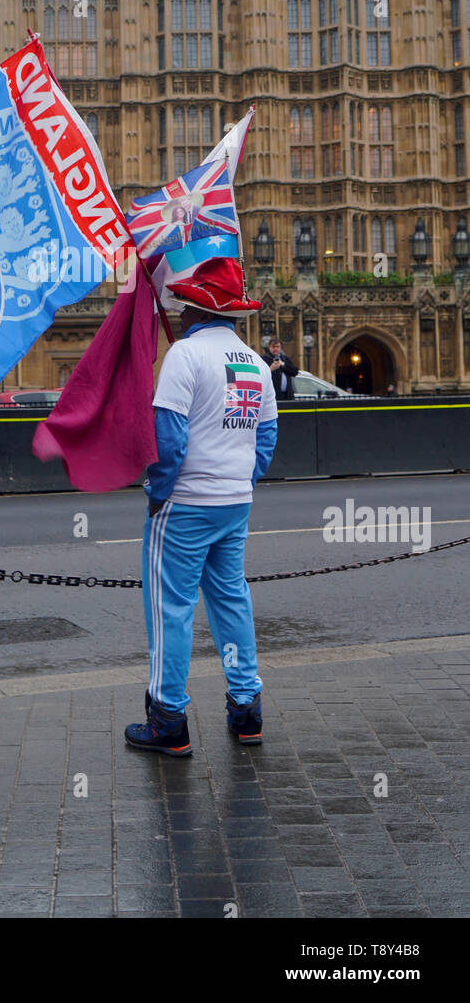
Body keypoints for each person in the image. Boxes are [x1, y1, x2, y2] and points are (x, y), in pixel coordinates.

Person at [124, 257, 278, 758]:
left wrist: (158, 493)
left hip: (186, 504)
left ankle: (168, 719)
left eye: (183, 304)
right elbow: (267, 438)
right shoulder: (255, 362)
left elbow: (167, 438)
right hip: (235, 502)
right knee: (231, 599)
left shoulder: (185, 356)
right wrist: (240, 479)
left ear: (195, 311)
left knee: (171, 609)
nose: (179, 312)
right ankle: (246, 709)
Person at [263, 336, 299, 401]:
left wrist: (283, 364)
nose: (276, 349)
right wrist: (270, 369)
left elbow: (295, 372)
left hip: (287, 395)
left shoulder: (285, 359)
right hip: (273, 396)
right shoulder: (264, 359)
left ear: (281, 348)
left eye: (278, 347)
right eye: (273, 347)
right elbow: (261, 375)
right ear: (269, 347)